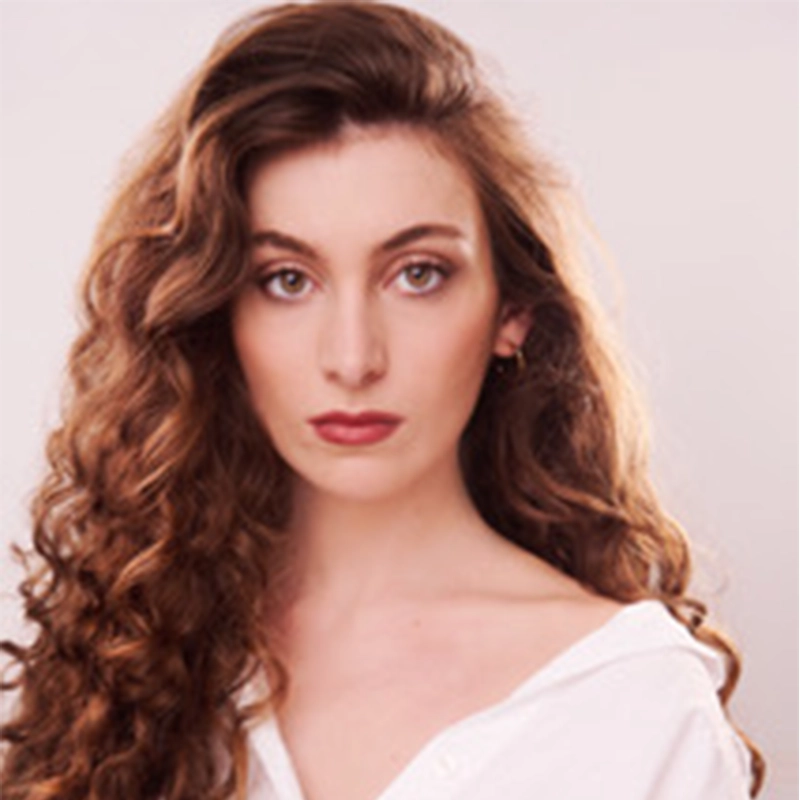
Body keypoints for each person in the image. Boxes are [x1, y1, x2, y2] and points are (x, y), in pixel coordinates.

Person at [0, 2, 764, 799]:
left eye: (417, 274)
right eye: (287, 281)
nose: (353, 358)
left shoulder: (629, 705)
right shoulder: (130, 658)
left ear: (512, 312)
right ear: (216, 313)